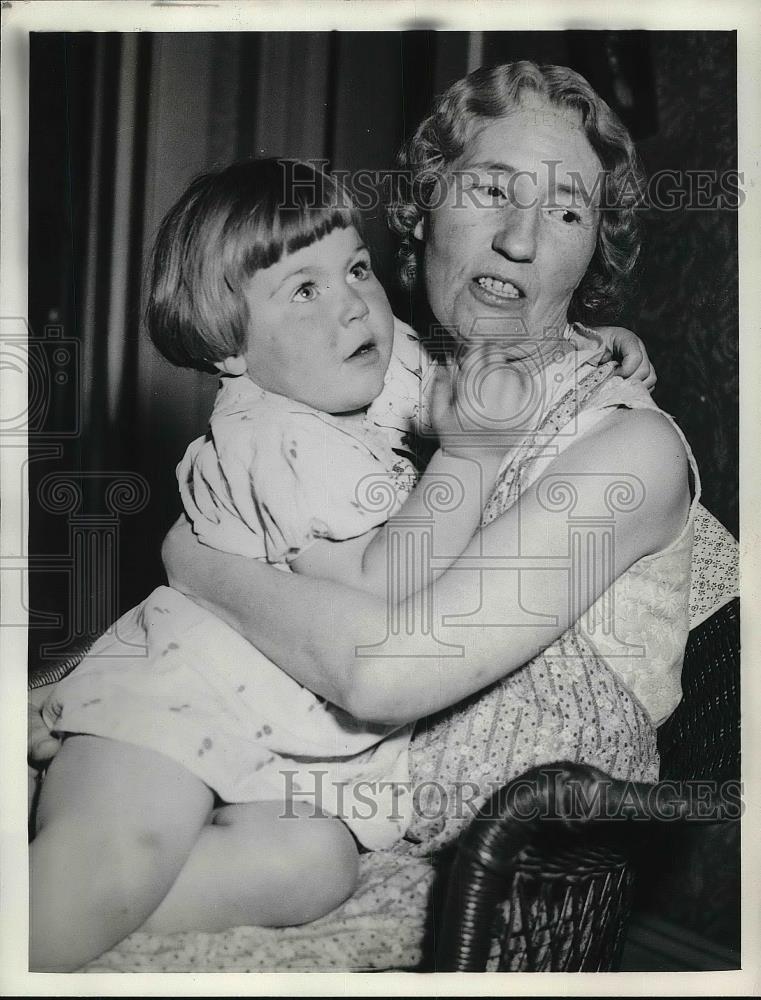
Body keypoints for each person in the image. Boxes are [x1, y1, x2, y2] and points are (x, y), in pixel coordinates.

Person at [28, 61, 679, 971]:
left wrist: (193, 561)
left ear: (597, 246)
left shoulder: (616, 445)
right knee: (106, 865)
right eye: (491, 189)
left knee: (297, 867)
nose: (521, 240)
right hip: (198, 708)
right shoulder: (362, 386)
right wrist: (467, 452)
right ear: (424, 203)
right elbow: (378, 576)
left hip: (338, 772)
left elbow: (378, 672)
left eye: (568, 210)